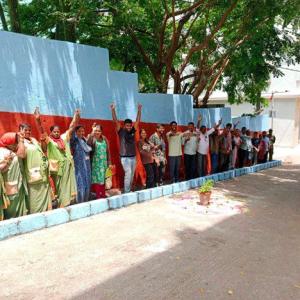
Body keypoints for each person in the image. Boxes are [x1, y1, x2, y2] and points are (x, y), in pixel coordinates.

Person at [34, 108, 78, 208]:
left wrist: (75, 116)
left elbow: (72, 127)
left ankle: (66, 204)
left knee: (67, 187)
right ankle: (62, 205)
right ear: (51, 133)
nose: (57, 133)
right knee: (61, 188)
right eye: (55, 132)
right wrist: (38, 120)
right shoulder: (50, 141)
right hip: (57, 169)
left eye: (58, 131)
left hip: (67, 167)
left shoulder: (63, 138)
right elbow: (42, 131)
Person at [20, 123, 52, 214]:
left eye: (29, 130)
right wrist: (21, 140)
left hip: (43, 174)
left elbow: (43, 150)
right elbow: (21, 155)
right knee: (35, 198)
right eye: (25, 130)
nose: (28, 132)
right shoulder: (20, 141)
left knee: (45, 196)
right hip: (33, 175)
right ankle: (35, 215)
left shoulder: (33, 140)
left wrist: (42, 141)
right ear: (20, 130)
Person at [110, 103, 142, 193]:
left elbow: (137, 121)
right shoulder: (121, 131)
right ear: (124, 126)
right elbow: (115, 121)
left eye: (130, 125)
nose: (129, 127)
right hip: (125, 158)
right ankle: (127, 192)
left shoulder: (132, 130)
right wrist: (113, 110)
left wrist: (139, 110)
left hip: (133, 157)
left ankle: (129, 189)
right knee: (128, 173)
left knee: (131, 175)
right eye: (127, 125)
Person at [0, 132, 27, 219]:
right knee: (12, 210)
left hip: (17, 185)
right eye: (14, 142)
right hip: (10, 185)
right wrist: (7, 161)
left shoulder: (12, 151)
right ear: (8, 142)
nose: (16, 143)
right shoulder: (2, 152)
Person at [87, 123, 111, 199]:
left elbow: (108, 152)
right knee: (98, 180)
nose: (97, 132)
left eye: (99, 131)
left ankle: (103, 194)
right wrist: (92, 132)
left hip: (104, 163)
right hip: (96, 163)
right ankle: (98, 196)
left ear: (101, 132)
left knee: (103, 179)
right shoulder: (91, 138)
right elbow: (88, 145)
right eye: (96, 130)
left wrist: (109, 162)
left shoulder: (104, 139)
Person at [70, 121, 92, 203]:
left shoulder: (84, 140)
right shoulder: (74, 140)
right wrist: (76, 118)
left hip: (87, 167)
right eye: (79, 131)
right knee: (80, 184)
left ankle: (86, 201)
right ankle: (80, 202)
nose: (81, 133)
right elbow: (71, 130)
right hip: (79, 167)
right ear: (76, 132)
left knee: (87, 183)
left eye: (83, 131)